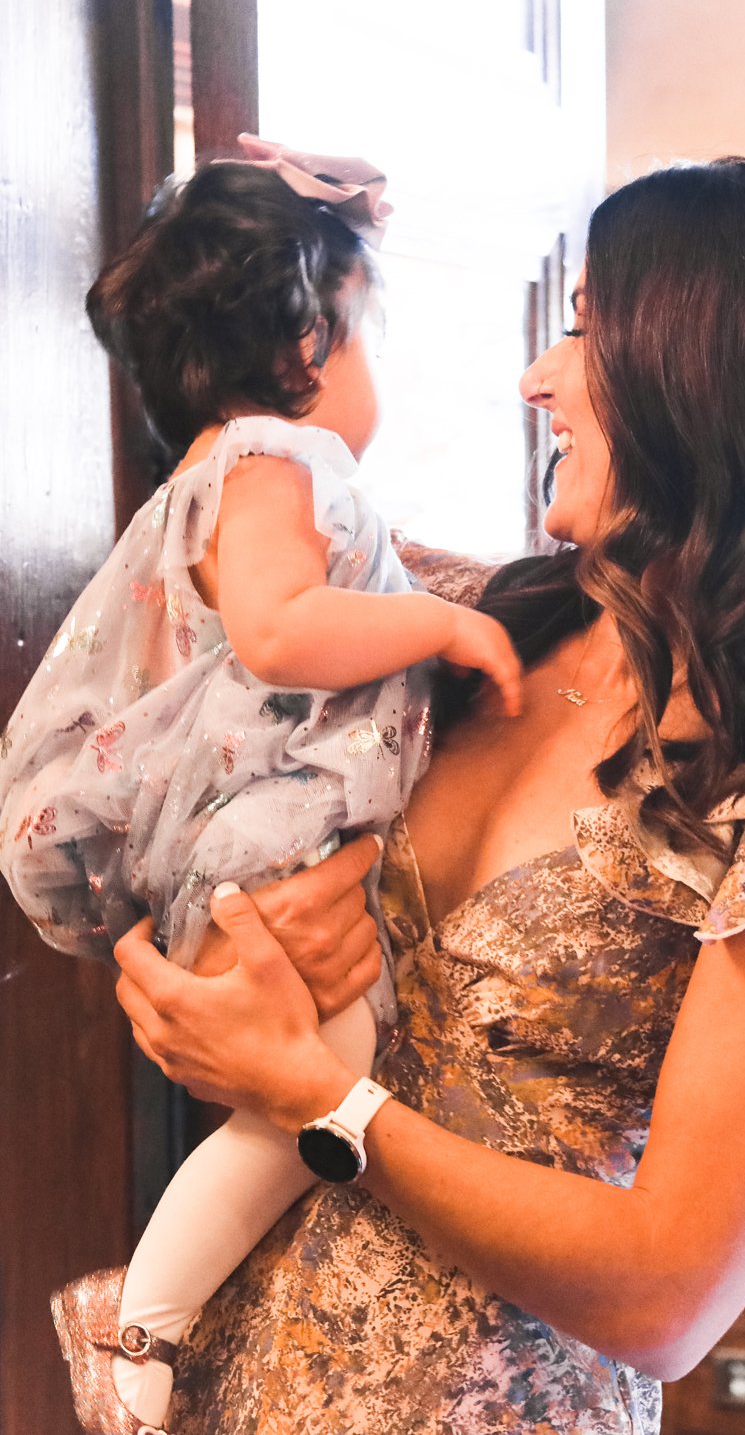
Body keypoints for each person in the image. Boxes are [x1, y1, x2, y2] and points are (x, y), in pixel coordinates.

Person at [112, 157, 745, 1435]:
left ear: (710, 379)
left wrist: (321, 1099)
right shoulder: (468, 630)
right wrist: (296, 225)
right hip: (227, 1375)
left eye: (583, 329)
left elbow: (669, 1297)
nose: (537, 378)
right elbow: (221, 530)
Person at [0, 152, 521, 1435]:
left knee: (297, 1103)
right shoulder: (274, 458)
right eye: (365, 334)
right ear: (306, 344)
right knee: (312, 1094)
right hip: (268, 842)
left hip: (246, 846)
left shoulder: (219, 469)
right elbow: (282, 633)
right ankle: (145, 1325)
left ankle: (161, 1319)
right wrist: (442, 627)